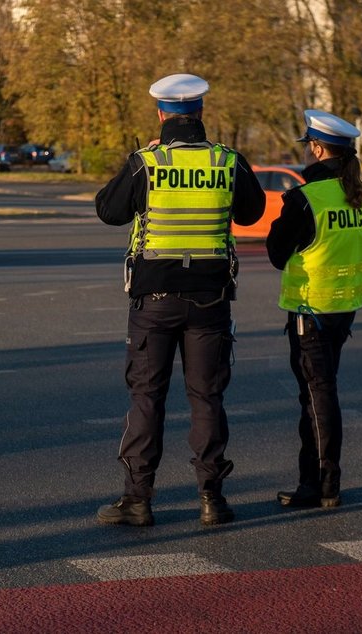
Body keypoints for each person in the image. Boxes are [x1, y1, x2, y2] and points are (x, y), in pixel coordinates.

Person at [94, 73, 265, 527]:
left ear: (161, 114)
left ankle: (137, 500)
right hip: (210, 299)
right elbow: (253, 213)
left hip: (154, 300)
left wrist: (136, 162)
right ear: (201, 112)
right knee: (207, 397)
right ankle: (212, 498)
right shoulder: (227, 161)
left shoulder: (147, 162)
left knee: (147, 397)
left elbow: (108, 210)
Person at [267, 110, 362, 509]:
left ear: (316, 148)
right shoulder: (361, 195)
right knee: (320, 394)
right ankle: (314, 480)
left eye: (308, 146)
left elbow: (277, 254)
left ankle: (323, 484)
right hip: (344, 308)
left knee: (317, 397)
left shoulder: (306, 198)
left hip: (311, 310)